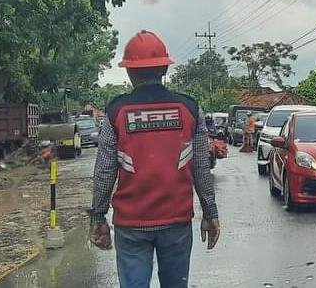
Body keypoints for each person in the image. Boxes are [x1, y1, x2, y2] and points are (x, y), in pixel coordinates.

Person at [89, 30, 220, 288]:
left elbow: (105, 171)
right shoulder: (189, 108)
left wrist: (98, 217)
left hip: (131, 224)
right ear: (164, 69)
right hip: (176, 222)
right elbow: (201, 166)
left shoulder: (116, 111)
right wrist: (210, 212)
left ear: (129, 73)